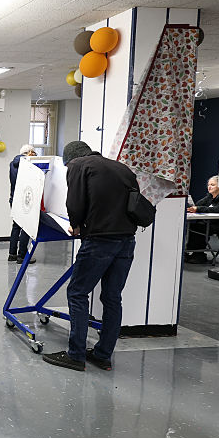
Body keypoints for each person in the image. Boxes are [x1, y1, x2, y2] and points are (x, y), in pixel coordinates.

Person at [42, 141, 138, 373]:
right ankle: (103, 355)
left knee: (77, 292)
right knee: (113, 297)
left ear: (70, 158)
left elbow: (75, 201)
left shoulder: (78, 165)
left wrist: (75, 224)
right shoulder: (120, 167)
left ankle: (75, 355)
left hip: (100, 239)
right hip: (127, 239)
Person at [185, 175, 219, 264]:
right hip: (211, 223)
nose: (209, 187)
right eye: (208, 185)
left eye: (212, 185)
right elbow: (198, 204)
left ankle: (199, 255)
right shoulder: (210, 196)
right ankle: (191, 252)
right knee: (193, 226)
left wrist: (199, 208)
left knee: (198, 227)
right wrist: (196, 207)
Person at [8, 144, 38, 264]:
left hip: (14, 198)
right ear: (30, 152)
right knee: (26, 226)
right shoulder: (28, 164)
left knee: (16, 226)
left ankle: (12, 254)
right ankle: (22, 256)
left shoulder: (12, 163)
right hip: (25, 199)